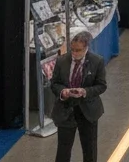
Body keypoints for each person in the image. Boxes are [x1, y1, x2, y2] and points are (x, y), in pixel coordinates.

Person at [50, 30, 107, 162]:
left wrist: (85, 92)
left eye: (78, 50)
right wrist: (63, 92)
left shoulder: (97, 61)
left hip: (87, 111)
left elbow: (101, 85)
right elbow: (54, 84)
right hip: (66, 110)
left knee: (89, 149)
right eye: (73, 50)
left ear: (86, 48)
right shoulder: (61, 61)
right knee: (63, 150)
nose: (75, 54)